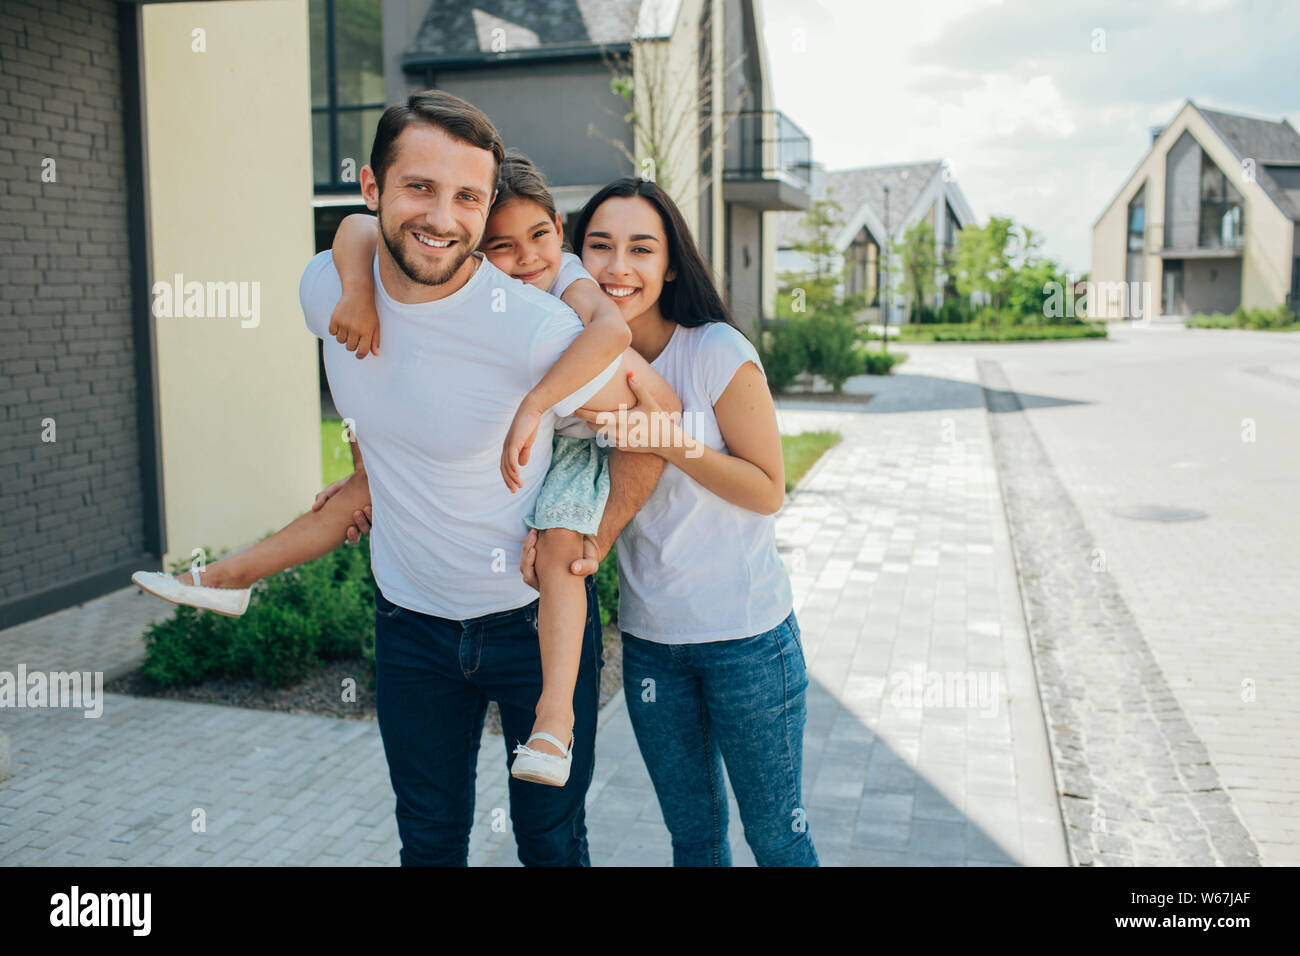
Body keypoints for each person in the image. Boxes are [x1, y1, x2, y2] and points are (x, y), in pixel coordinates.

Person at [149, 90, 671, 866]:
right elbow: (359, 286)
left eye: (466, 197)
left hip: (533, 626)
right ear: (373, 188)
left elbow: (652, 423)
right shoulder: (326, 289)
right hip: (410, 629)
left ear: (486, 203)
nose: (443, 216)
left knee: (550, 842)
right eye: (419, 187)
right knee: (427, 844)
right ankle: (230, 577)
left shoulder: (534, 328)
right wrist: (366, 452)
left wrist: (594, 532)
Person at [521, 177, 819, 866]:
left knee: (778, 839)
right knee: (694, 840)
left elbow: (768, 489)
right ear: (576, 256)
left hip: (748, 641)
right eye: (600, 246)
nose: (617, 267)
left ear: (671, 264)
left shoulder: (716, 352)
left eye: (640, 249)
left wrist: (666, 438)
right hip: (653, 644)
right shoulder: (578, 360)